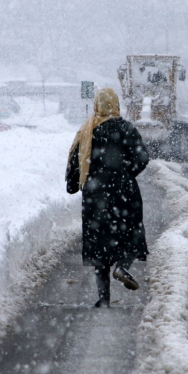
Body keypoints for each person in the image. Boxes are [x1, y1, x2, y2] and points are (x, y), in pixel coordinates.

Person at [66, 88, 150, 308]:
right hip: (124, 191)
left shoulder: (87, 130)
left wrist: (76, 183)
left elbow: (76, 160)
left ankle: (103, 298)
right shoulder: (126, 128)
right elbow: (142, 157)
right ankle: (122, 266)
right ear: (115, 104)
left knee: (99, 244)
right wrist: (126, 173)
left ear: (97, 105)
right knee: (130, 233)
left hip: (95, 193)